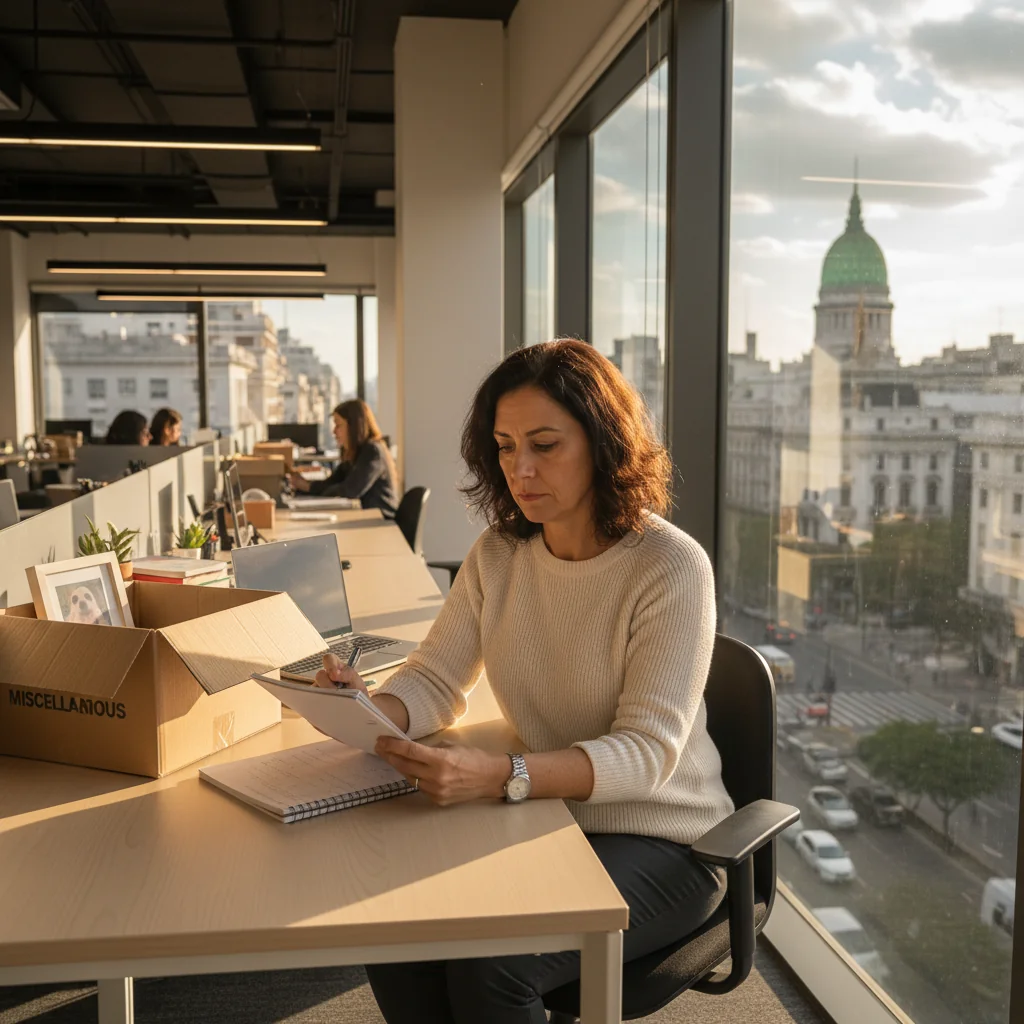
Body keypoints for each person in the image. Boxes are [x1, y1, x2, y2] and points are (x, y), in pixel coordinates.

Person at [315, 339, 734, 1024]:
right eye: (506, 447)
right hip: (547, 818)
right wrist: (368, 705)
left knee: (492, 968)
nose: (521, 469)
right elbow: (435, 679)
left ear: (603, 443)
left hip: (667, 840)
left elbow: (647, 754)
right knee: (398, 928)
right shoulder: (500, 553)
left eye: (545, 444)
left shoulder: (669, 566)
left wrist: (500, 775)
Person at [287, 399, 399, 516]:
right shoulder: (354, 453)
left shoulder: (372, 451)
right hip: (366, 518)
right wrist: (306, 486)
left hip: (381, 522)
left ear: (354, 427)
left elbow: (350, 490)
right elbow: (332, 482)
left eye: (338, 425)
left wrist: (309, 487)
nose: (334, 431)